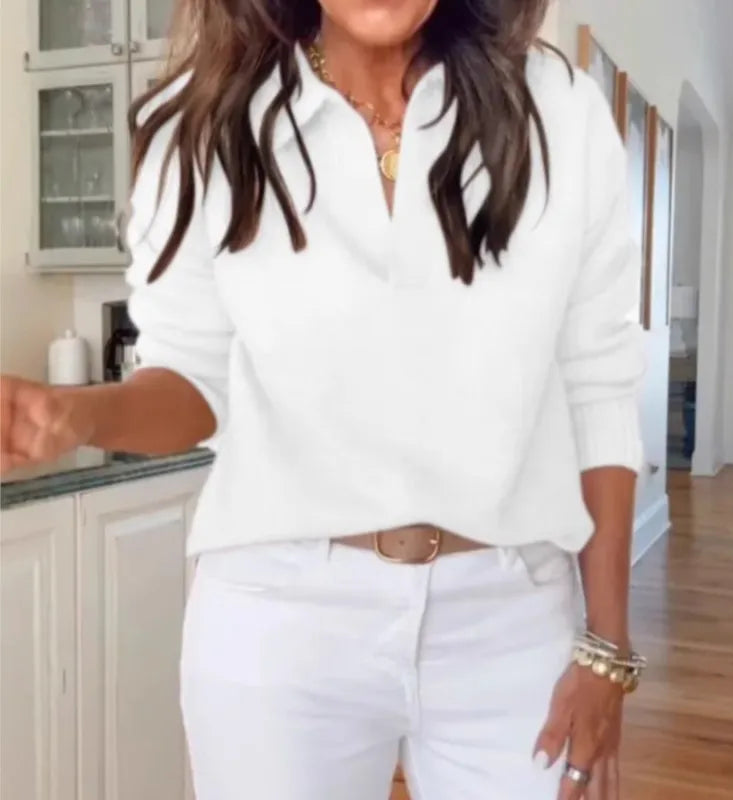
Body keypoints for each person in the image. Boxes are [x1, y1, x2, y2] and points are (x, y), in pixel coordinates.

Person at [0, 1, 648, 798]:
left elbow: (598, 384)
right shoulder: (205, 127)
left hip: (511, 615)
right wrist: (78, 415)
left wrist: (606, 650)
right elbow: (193, 383)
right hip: (280, 619)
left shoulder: (556, 110)